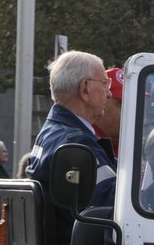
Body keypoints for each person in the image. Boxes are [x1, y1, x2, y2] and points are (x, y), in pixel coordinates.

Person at [27, 50, 117, 212]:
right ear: (85, 89)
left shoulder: (52, 133)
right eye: (105, 84)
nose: (109, 93)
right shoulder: (77, 143)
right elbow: (113, 202)